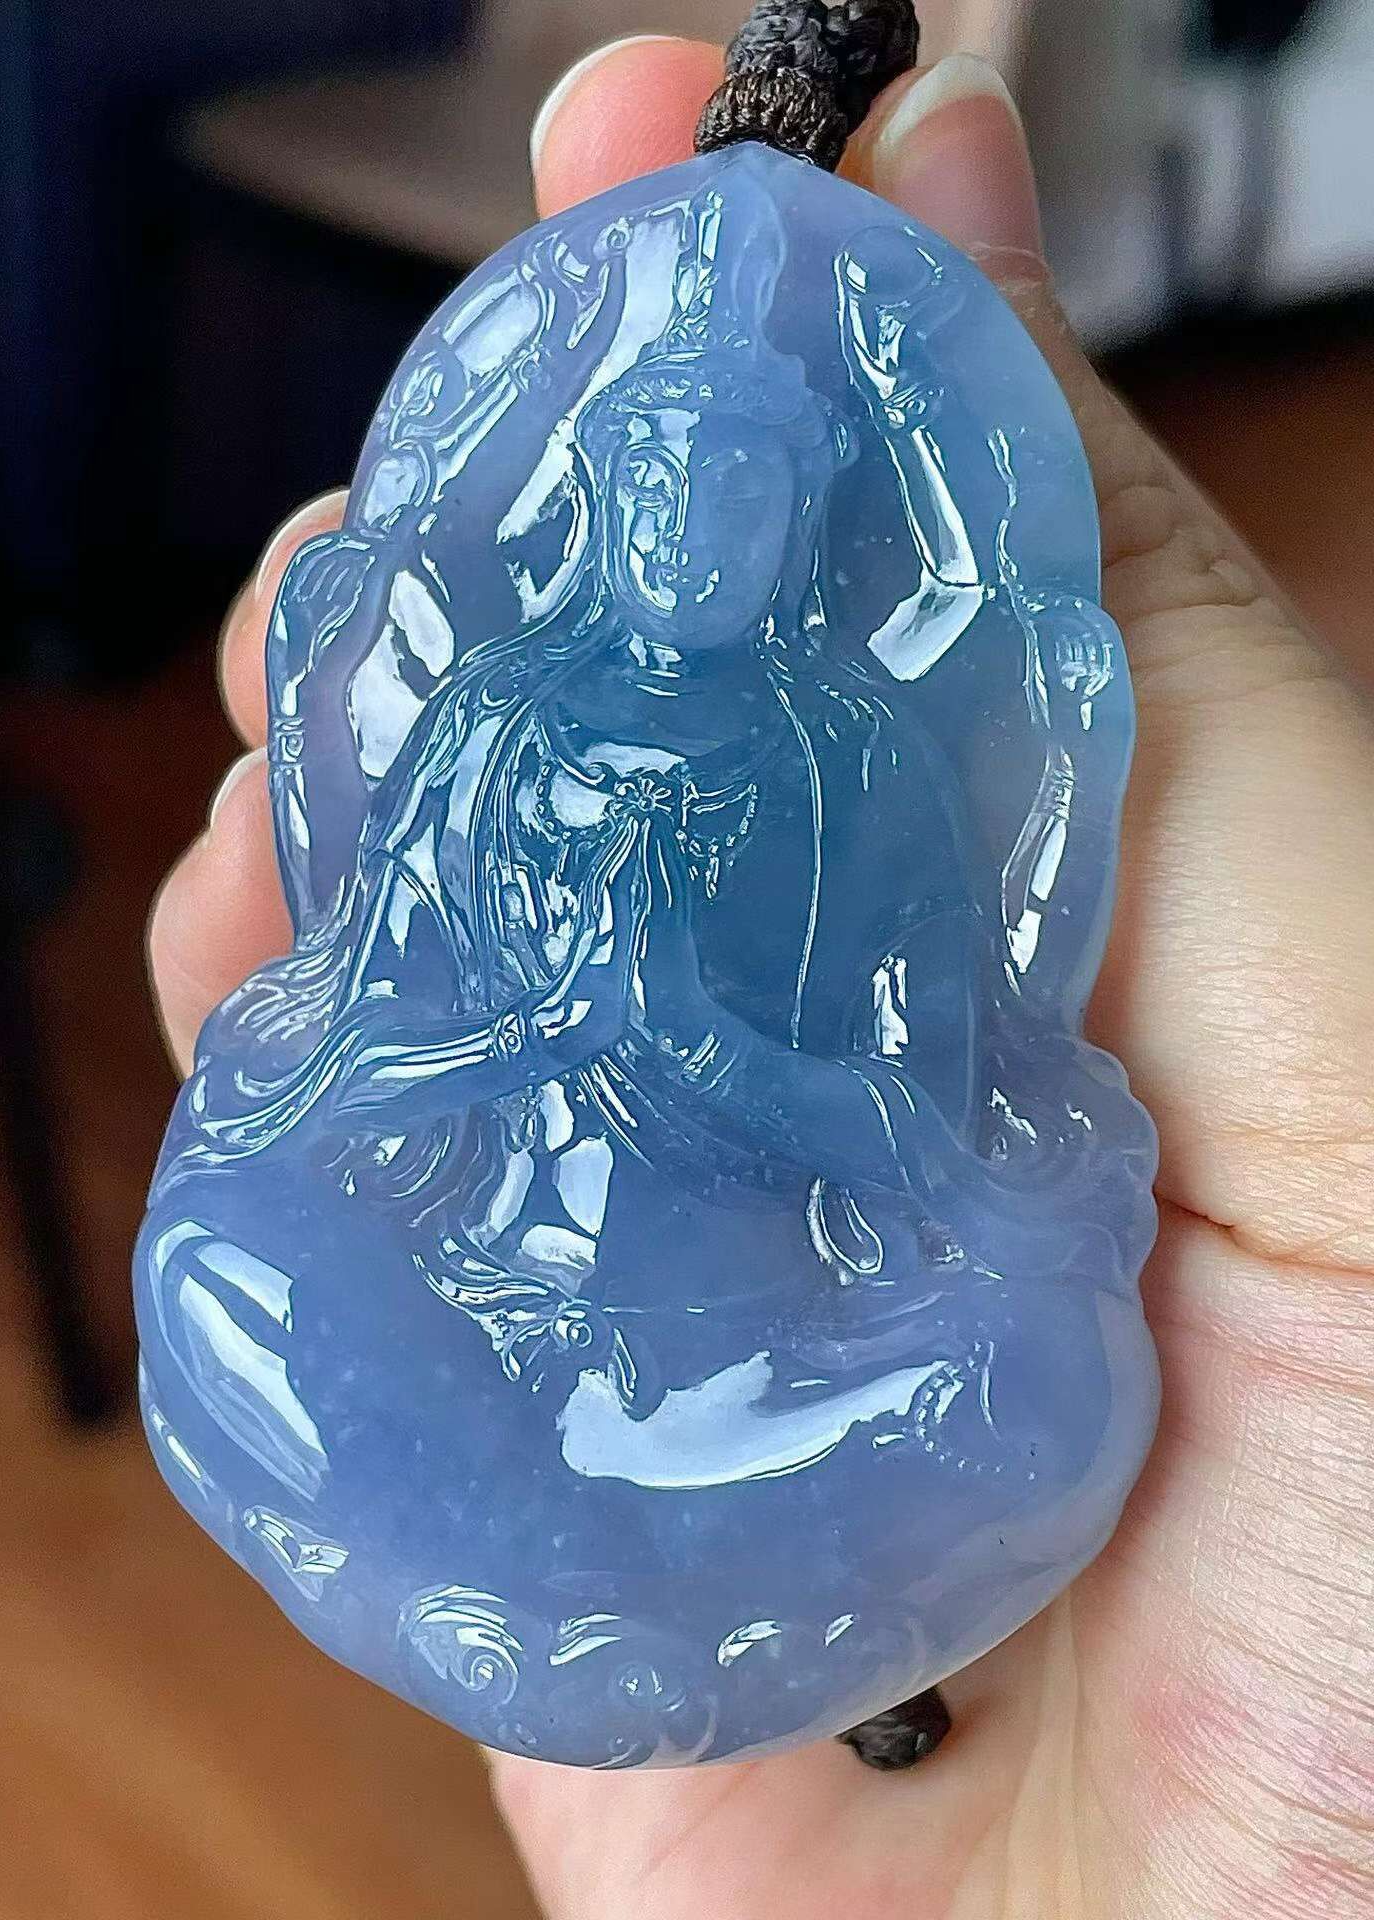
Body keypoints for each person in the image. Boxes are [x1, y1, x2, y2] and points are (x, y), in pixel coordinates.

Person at [149, 40, 1374, 1917]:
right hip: (495, 1272)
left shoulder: (854, 761)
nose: (689, 528)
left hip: (764, 1335)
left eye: (740, 493)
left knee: (1028, 1379)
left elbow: (927, 1113)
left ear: (796, 518)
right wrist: (523, 1040)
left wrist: (701, 1051)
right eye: (654, 481)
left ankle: (643, 1587)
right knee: (214, 1261)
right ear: (601, 496)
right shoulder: (495, 723)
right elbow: (360, 1043)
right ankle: (672, 1594)